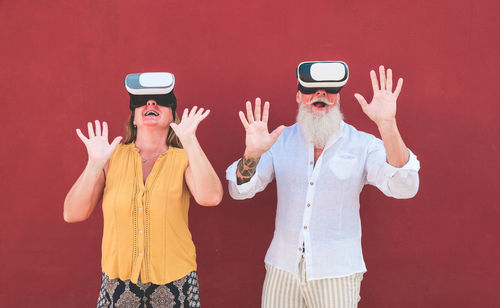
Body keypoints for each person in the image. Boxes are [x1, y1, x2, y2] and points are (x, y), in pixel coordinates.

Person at [226, 62, 420, 308]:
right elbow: (240, 189)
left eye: (329, 89)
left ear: (338, 96)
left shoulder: (361, 144)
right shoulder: (279, 141)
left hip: (337, 272)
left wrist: (387, 124)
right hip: (282, 268)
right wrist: (252, 153)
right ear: (299, 95)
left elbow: (405, 187)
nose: (321, 95)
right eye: (311, 89)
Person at [64, 72, 223, 308]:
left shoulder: (184, 158)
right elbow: (72, 214)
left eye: (160, 99)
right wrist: (93, 165)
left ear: (172, 115)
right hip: (118, 284)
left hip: (176, 282)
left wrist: (190, 142)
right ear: (134, 117)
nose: (151, 103)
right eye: (143, 101)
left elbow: (211, 197)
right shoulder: (111, 157)